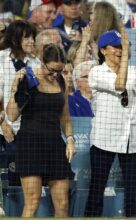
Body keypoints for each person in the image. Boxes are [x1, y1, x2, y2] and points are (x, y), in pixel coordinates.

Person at [6, 44, 75, 217]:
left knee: (63, 203)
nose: (55, 75)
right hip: (30, 146)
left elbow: (64, 115)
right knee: (33, 201)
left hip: (55, 146)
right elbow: (12, 115)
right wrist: (15, 85)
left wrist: (70, 138)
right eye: (51, 70)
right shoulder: (27, 79)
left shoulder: (61, 81)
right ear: (42, 62)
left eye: (60, 70)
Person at [84, 28, 136, 217]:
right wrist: (128, 53)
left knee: (133, 190)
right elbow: (119, 85)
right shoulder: (96, 72)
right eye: (116, 47)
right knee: (98, 187)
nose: (120, 50)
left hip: (131, 139)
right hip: (105, 139)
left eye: (122, 47)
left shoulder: (133, 69)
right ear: (103, 50)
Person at [0, 20, 40, 186]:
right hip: (8, 132)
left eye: (33, 37)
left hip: (32, 131)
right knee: (12, 182)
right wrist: (3, 124)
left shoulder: (36, 62)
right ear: (16, 39)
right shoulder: (1, 61)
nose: (31, 41)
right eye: (27, 37)